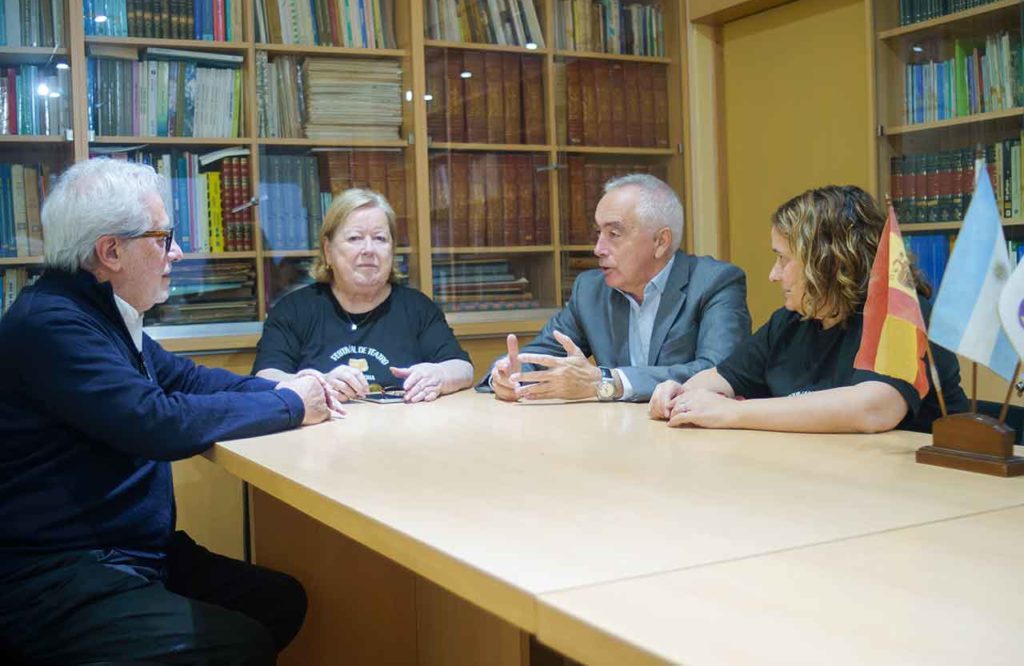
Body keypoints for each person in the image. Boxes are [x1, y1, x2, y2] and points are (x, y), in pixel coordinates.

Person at [0, 158, 340, 665]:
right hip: (57, 571)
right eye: (163, 239)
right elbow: (155, 422)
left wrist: (289, 387)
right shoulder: (51, 324)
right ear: (111, 251)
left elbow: (186, 379)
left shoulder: (99, 312)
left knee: (278, 602)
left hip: (130, 549)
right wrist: (289, 405)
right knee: (238, 644)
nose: (176, 252)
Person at [649, 184, 968, 433]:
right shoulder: (790, 321)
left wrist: (734, 413)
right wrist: (679, 394)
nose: (773, 275)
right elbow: (721, 377)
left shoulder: (901, 313)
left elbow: (874, 409)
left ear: (827, 263)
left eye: (783, 259)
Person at [484, 173, 751, 403]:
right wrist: (510, 375)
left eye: (613, 234)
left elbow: (722, 373)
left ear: (661, 241)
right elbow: (540, 357)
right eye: (598, 233)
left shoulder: (714, 283)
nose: (598, 249)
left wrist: (610, 381)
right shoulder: (590, 290)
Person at [254, 188, 473, 403]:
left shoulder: (417, 307)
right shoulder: (294, 310)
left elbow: (463, 368)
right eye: (355, 238)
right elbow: (265, 377)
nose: (369, 249)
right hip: (324, 425)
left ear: (392, 249)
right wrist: (316, 384)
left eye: (380, 238)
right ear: (328, 250)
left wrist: (439, 375)